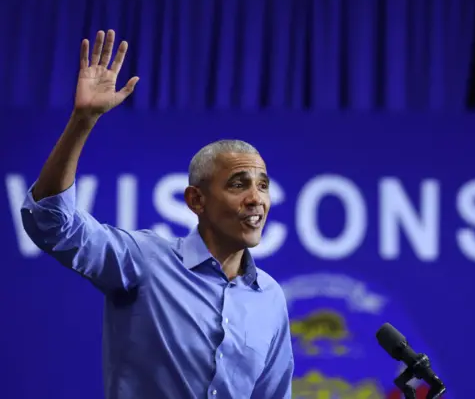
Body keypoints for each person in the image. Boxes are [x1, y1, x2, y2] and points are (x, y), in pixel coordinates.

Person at [20, 30, 294, 399]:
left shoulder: (270, 297)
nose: (255, 199)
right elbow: (51, 223)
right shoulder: (144, 260)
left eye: (262, 185)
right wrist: (83, 122)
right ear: (196, 201)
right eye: (238, 184)